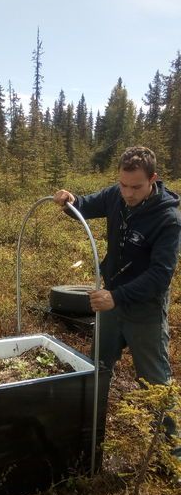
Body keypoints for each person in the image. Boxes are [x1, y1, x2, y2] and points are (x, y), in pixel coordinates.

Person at [53, 146, 181, 389]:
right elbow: (84, 205)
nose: (128, 193)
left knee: (155, 382)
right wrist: (70, 200)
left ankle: (166, 427)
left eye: (136, 187)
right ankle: (92, 424)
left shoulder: (168, 219)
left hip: (145, 308)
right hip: (109, 300)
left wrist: (117, 296)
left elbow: (160, 275)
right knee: (96, 368)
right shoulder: (115, 195)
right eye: (123, 184)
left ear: (152, 179)